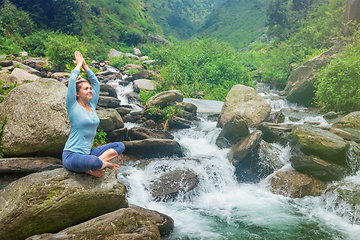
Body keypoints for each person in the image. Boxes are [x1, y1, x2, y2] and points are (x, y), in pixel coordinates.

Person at [62, 51, 124, 177]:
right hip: (72, 155)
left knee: (120, 145)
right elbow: (72, 79)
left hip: (88, 153)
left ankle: (94, 166)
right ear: (77, 93)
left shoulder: (91, 105)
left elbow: (95, 82)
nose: (90, 90)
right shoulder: (73, 106)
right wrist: (78, 65)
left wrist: (85, 66)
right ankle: (101, 165)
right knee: (94, 161)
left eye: (90, 89)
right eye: (86, 89)